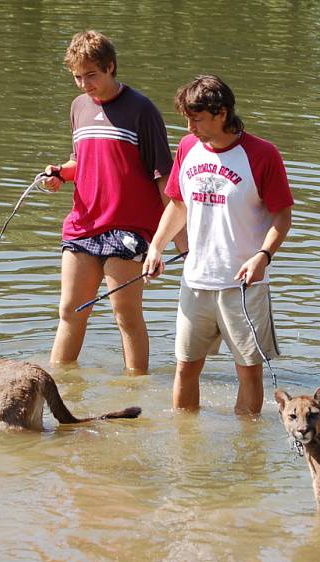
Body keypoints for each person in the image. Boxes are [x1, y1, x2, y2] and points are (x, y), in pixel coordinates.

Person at [143, 74, 293, 415]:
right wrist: (156, 247)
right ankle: (185, 447)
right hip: (195, 281)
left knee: (248, 372)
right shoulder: (187, 147)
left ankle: (245, 453)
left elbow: (282, 217)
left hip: (244, 285)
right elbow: (178, 206)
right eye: (188, 119)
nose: (190, 126)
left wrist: (262, 257)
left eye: (197, 118)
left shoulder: (262, 154)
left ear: (221, 113)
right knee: (185, 367)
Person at [41, 30, 184, 372]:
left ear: (110, 67)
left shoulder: (142, 110)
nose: (84, 84)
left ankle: (137, 390)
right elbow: (83, 161)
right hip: (84, 223)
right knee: (70, 311)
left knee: (126, 316)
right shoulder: (78, 107)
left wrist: (172, 241)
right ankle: (59, 386)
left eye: (91, 75)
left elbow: (164, 175)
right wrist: (61, 173)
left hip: (128, 228)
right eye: (77, 77)